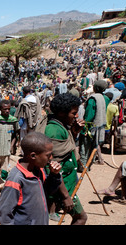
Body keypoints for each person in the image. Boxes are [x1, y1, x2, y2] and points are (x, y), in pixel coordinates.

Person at [0, 132, 62, 225]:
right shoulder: (16, 179)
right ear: (33, 156)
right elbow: (4, 214)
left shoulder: (39, 171)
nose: (51, 158)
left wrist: (54, 175)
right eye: (48, 155)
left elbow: (48, 191)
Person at [44, 92, 88, 225]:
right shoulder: (54, 130)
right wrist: (66, 196)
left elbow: (66, 148)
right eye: (74, 113)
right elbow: (54, 167)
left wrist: (75, 131)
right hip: (62, 187)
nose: (76, 116)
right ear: (62, 113)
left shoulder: (62, 126)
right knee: (81, 218)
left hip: (66, 183)